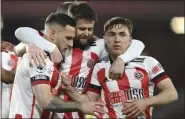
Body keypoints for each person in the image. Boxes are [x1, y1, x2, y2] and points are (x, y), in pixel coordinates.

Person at [14, 2, 145, 119]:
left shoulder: (97, 46)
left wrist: (121, 60)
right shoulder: (58, 42)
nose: (86, 33)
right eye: (82, 29)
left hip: (80, 113)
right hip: (51, 112)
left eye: (90, 29)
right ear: (72, 26)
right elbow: (21, 32)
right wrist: (31, 45)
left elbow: (137, 44)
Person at [62, 17, 178, 119]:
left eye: (122, 34)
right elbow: (90, 100)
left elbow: (172, 93)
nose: (117, 40)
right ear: (105, 40)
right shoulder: (99, 68)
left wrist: (145, 102)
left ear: (130, 40)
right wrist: (68, 88)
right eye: (112, 34)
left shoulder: (148, 62)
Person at [9, 13, 105, 118]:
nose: (71, 44)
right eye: (68, 38)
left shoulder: (50, 59)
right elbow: (46, 101)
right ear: (53, 34)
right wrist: (80, 106)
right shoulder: (39, 57)